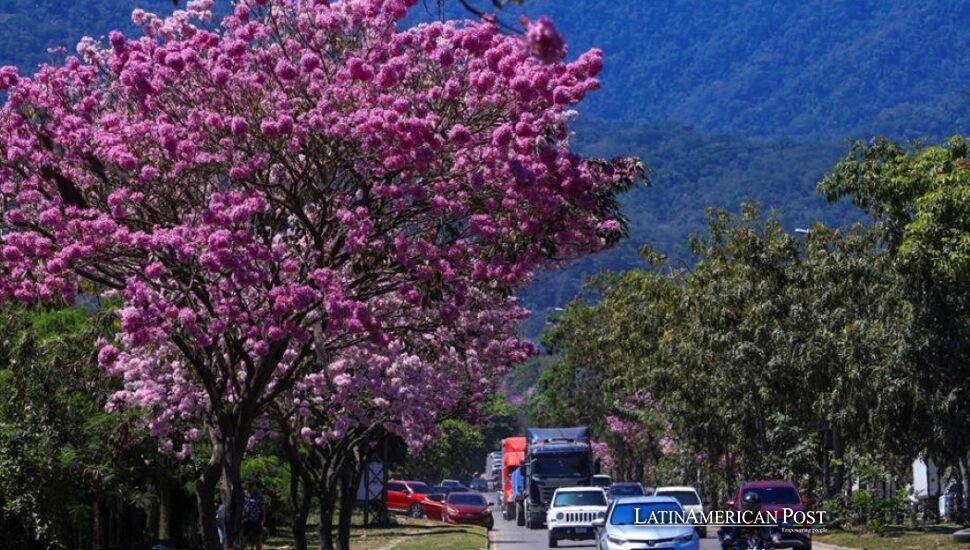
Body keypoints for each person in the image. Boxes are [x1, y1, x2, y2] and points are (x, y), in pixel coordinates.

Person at [242, 477, 265, 550]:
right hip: (245, 520)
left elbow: (263, 509)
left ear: (254, 485)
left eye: (251, 485)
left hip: (256, 520)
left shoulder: (259, 495)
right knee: (244, 539)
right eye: (248, 485)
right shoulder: (243, 494)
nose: (250, 486)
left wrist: (263, 520)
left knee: (258, 539)